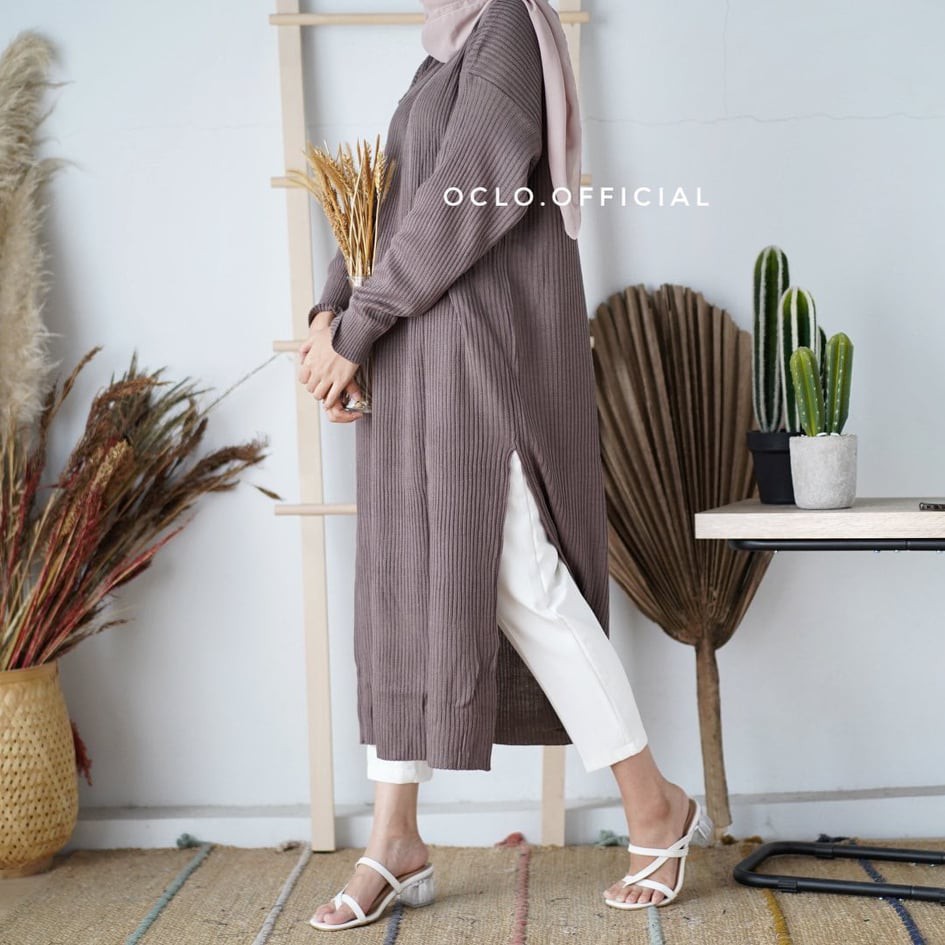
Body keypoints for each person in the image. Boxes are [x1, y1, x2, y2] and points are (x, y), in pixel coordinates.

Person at [297, 0, 710, 930]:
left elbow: (469, 190)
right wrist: (329, 315)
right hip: (410, 358)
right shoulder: (436, 62)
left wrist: (359, 326)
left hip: (479, 355)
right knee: (401, 585)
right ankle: (395, 838)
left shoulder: (508, 29)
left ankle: (655, 804)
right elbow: (385, 198)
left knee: (524, 575)